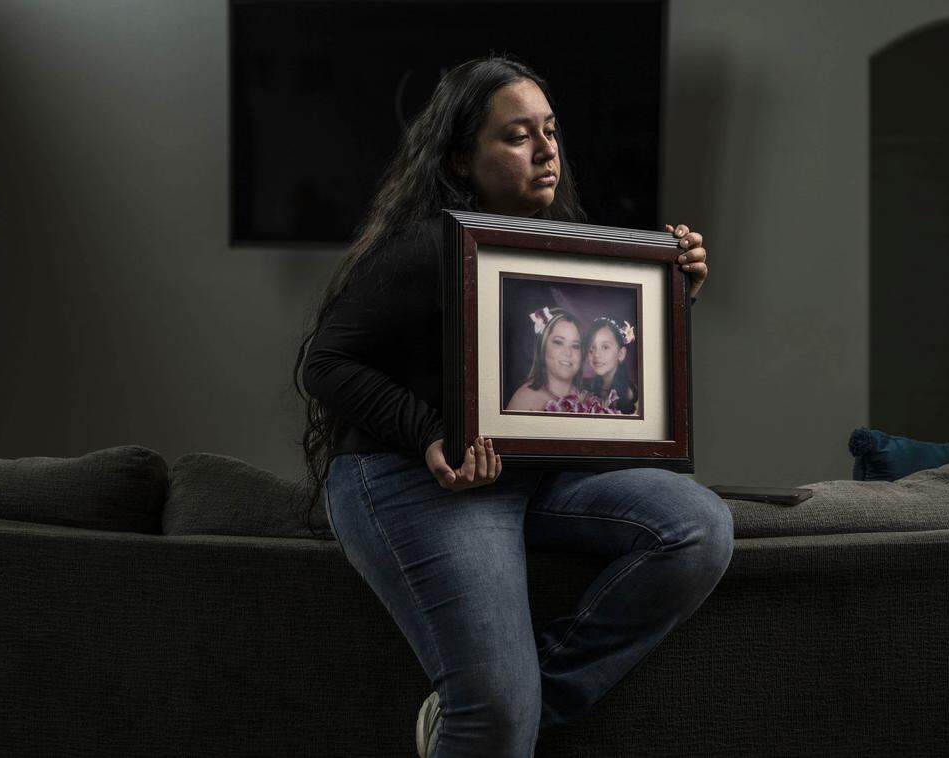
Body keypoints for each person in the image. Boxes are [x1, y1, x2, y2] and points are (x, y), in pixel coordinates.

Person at [294, 54, 724, 758]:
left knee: (697, 526)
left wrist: (671, 303)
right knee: (496, 715)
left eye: (550, 130)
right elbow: (327, 363)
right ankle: (494, 715)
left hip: (536, 471)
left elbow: (596, 390)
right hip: (412, 476)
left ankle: (498, 710)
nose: (547, 148)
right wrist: (431, 434)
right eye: (518, 135)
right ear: (462, 161)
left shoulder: (570, 251)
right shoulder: (422, 248)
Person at [505, 307, 586, 412]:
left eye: (575, 346)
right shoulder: (524, 400)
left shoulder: (589, 399)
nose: (568, 353)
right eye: (558, 343)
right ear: (543, 348)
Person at [582, 316, 639, 414]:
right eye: (592, 348)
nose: (596, 354)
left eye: (605, 347)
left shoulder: (630, 394)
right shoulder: (585, 389)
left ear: (621, 354)